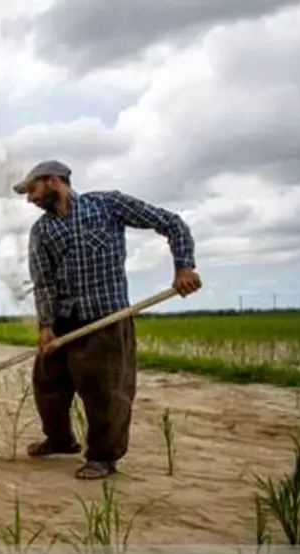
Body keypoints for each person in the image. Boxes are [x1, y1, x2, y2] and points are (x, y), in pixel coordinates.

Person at [14, 160, 202, 480]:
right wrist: (45, 326)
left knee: (106, 392)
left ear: (53, 181)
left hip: (107, 318)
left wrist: (184, 267)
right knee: (48, 386)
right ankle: (60, 441)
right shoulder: (42, 230)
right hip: (63, 320)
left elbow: (171, 222)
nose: (29, 199)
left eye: (32, 189)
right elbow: (43, 282)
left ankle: (103, 457)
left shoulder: (107, 205)